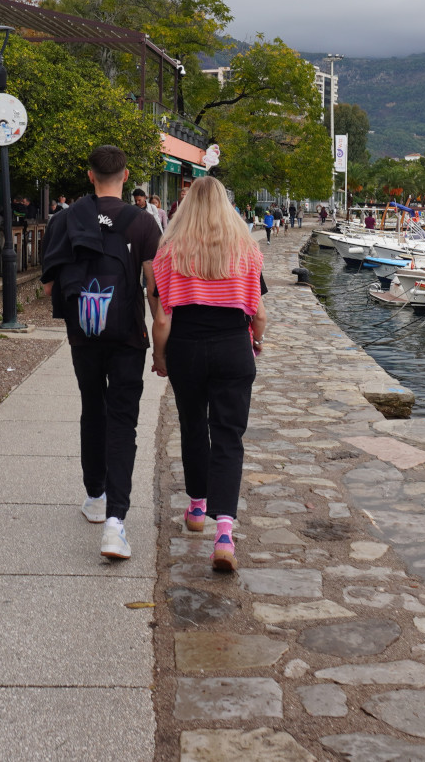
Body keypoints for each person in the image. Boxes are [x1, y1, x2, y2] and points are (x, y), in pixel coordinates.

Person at [40, 146, 162, 561]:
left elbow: (48, 287)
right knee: (123, 421)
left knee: (92, 409)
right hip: (127, 335)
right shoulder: (143, 222)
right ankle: (116, 523)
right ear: (126, 176)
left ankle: (95, 496)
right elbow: (154, 288)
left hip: (84, 334)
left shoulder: (65, 219)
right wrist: (160, 335)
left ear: (90, 175)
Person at [150, 175, 265, 572]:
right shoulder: (246, 251)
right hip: (233, 345)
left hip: (186, 347)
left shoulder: (169, 252)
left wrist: (159, 355)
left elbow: (163, 319)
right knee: (229, 436)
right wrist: (257, 341)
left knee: (193, 425)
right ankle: (225, 533)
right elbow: (259, 314)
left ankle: (197, 507)